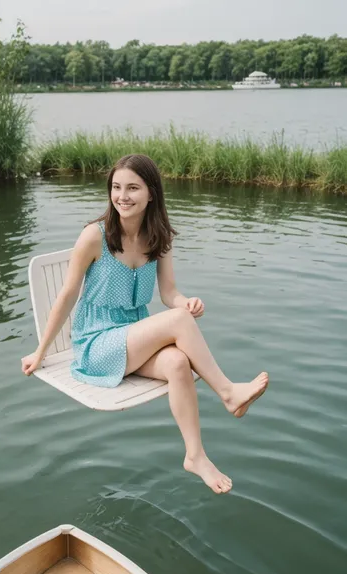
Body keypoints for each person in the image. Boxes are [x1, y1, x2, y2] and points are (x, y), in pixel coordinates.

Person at [21, 154, 269, 494]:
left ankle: (195, 455)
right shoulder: (94, 237)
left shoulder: (159, 237)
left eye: (133, 188)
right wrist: (41, 351)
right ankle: (227, 392)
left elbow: (169, 294)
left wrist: (186, 303)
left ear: (151, 193)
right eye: (116, 187)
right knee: (179, 324)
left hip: (131, 339)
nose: (122, 196)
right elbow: (65, 296)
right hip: (97, 344)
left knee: (179, 363)